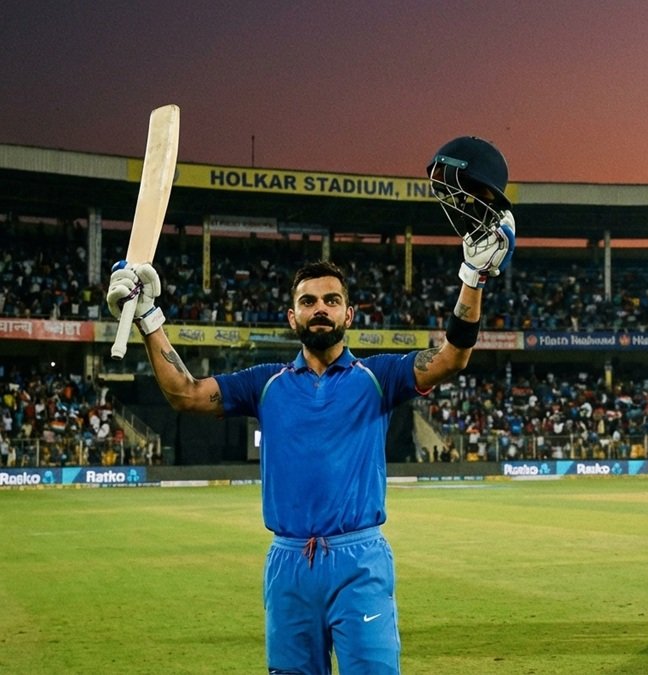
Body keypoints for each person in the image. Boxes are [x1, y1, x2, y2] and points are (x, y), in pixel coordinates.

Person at [105, 136, 516, 674]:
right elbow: (185, 393)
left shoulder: (379, 377)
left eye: (331, 300)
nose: (319, 309)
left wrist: (472, 278)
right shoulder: (265, 383)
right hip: (289, 563)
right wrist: (148, 316)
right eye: (308, 302)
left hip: (359, 560)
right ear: (292, 317)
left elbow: (451, 360)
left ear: (349, 314)